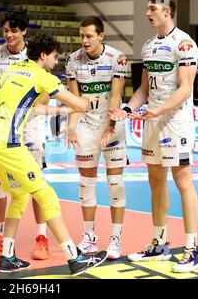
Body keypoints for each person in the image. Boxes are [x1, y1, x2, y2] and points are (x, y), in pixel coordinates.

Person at [0, 33, 108, 275]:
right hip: (9, 145)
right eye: (55, 56)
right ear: (44, 54)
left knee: (19, 195)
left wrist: (61, 112)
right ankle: (75, 257)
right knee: (46, 195)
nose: (56, 61)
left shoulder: (13, 70)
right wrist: (88, 98)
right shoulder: (42, 77)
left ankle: (7, 256)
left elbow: (34, 108)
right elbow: (80, 105)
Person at [110, 0, 198, 273]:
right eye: (147, 8)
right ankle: (160, 244)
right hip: (152, 121)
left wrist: (158, 111)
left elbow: (186, 88)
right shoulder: (149, 46)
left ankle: (191, 249)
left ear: (167, 11)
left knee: (182, 180)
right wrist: (126, 110)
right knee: (155, 180)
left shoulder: (184, 44)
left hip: (176, 122)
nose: (148, 13)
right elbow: (143, 90)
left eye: (152, 8)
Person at [0, 9, 70, 260]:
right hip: (4, 129)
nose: (8, 35)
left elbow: (46, 96)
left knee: (36, 183)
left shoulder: (37, 59)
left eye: (13, 30)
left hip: (31, 125)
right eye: (5, 30)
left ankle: (41, 238)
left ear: (24, 32)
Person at [65, 16, 128, 260]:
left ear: (101, 36)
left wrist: (110, 126)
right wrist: (71, 128)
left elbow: (116, 96)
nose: (84, 40)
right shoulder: (73, 60)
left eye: (89, 36)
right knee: (86, 183)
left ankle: (116, 239)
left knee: (115, 184)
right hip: (86, 128)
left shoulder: (117, 58)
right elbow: (74, 99)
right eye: (81, 36)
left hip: (112, 126)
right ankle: (89, 237)